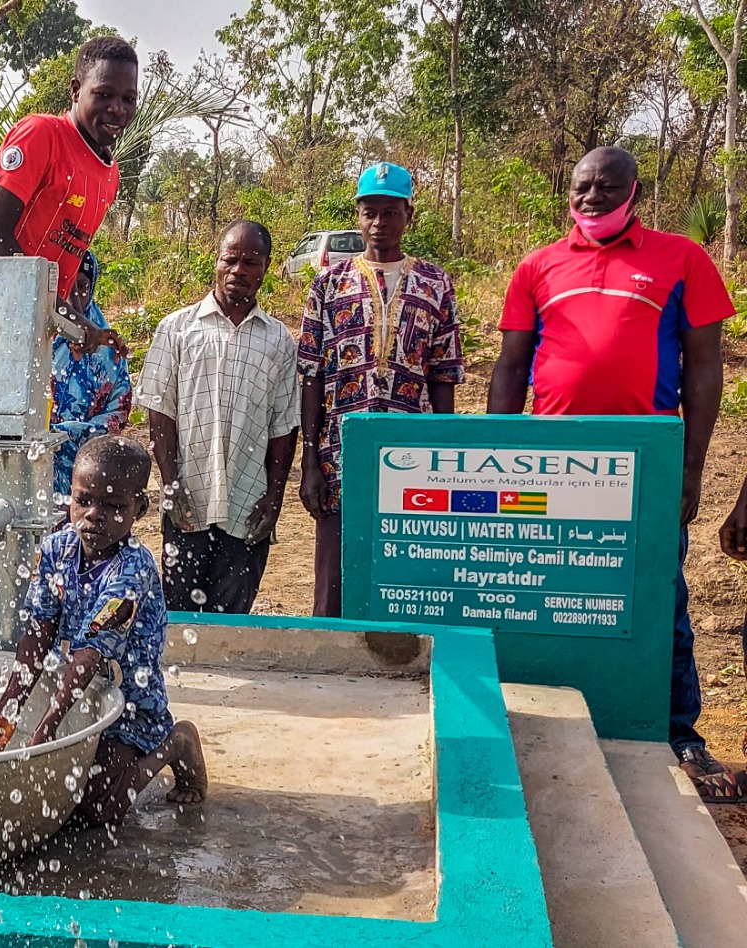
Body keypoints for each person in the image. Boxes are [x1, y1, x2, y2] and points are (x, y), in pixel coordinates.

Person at [492, 146, 738, 801]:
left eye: (606, 187)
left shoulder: (682, 258)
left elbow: (706, 366)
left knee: (658, 596)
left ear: (635, 191)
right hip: (549, 463)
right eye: (582, 187)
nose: (592, 198)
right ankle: (544, 714)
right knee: (545, 590)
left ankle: (680, 730)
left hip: (643, 464)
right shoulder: (537, 266)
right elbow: (511, 366)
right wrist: (497, 451)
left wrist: (690, 468)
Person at [0, 36, 139, 492]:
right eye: (103, 94)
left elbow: (58, 275)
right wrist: (60, 314)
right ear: (75, 89)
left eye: (127, 98)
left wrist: (81, 325)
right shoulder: (42, 134)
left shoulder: (109, 174)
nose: (116, 109)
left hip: (24, 336)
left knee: (22, 475)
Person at [0, 436, 206, 826]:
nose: (93, 515)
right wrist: (7, 708)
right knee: (59, 795)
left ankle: (176, 743)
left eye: (113, 506)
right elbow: (38, 633)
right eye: (84, 500)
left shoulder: (132, 570)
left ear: (139, 509)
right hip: (85, 697)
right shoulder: (56, 550)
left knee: (98, 811)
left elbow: (89, 655)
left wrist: (47, 727)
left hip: (132, 703)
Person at [298, 162, 464, 621]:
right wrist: (310, 461)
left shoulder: (436, 283)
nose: (379, 224)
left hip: (411, 456)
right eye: (370, 212)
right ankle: (326, 677)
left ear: (408, 214)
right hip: (339, 454)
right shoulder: (329, 283)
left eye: (390, 213)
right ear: (358, 214)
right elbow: (311, 375)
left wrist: (443, 457)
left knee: (403, 574)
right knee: (332, 579)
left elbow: (444, 376)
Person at [140, 221, 299, 614]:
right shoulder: (177, 329)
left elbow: (284, 424)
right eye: (231, 259)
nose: (239, 270)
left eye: (251, 261)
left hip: (248, 500)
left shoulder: (278, 340)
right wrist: (170, 482)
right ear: (216, 261)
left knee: (232, 617)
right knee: (177, 613)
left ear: (265, 268)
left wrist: (275, 496)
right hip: (189, 495)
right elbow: (161, 412)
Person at [51, 251, 133, 500]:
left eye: (83, 287)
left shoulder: (109, 348)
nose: (76, 298)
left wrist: (69, 434)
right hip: (37, 458)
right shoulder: (35, 340)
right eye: (66, 287)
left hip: (89, 467)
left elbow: (120, 408)